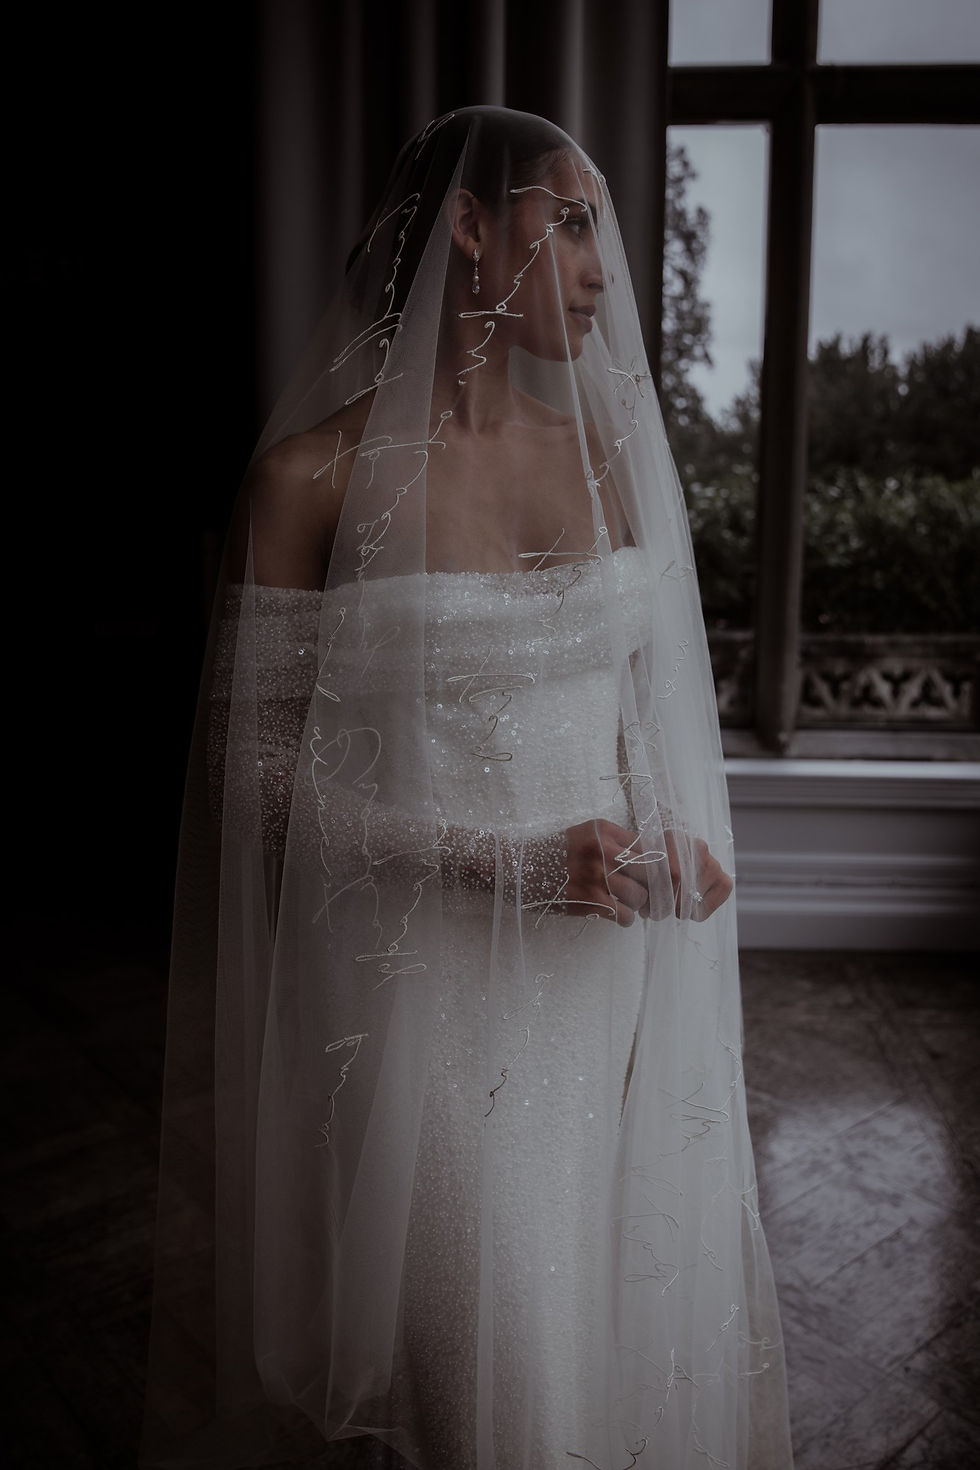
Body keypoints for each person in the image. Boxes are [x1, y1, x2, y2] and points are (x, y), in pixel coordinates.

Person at [141, 107, 793, 1470]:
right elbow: (254, 777)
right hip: (415, 986)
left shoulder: (613, 463)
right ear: (469, 230)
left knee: (579, 1326)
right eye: (573, 223)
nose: (607, 270)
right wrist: (506, 861)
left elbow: (629, 720)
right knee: (491, 1379)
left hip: (598, 974)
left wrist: (664, 839)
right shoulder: (304, 481)